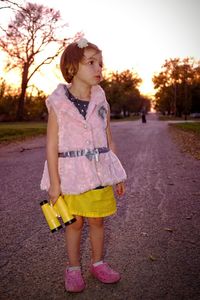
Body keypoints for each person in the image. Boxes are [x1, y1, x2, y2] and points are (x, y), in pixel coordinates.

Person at [40, 38, 127, 293]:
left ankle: (98, 263)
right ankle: (73, 267)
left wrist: (117, 174)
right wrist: (55, 184)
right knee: (75, 223)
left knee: (98, 221)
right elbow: (51, 145)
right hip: (71, 176)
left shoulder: (102, 101)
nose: (99, 68)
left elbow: (109, 139)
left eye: (100, 63)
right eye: (91, 63)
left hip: (99, 172)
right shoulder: (58, 103)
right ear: (72, 68)